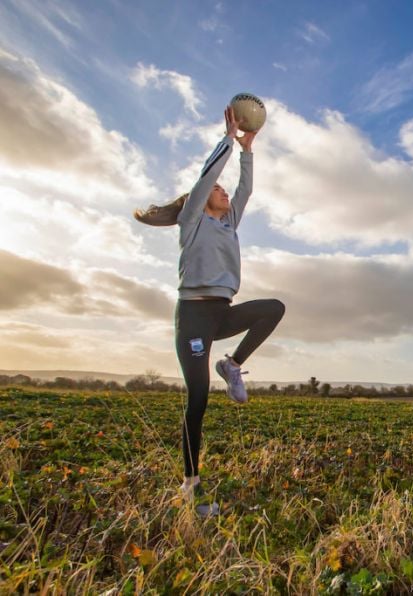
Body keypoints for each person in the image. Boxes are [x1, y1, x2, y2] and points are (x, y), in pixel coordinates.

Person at [135, 106, 285, 516]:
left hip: (222, 312)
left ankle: (232, 365)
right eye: (216, 190)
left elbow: (246, 190)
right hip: (194, 319)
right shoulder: (192, 220)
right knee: (197, 400)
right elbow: (205, 180)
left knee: (273, 308)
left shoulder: (227, 221)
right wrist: (227, 137)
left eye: (223, 190)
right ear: (200, 202)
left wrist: (247, 150)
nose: (222, 192)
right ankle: (191, 486)